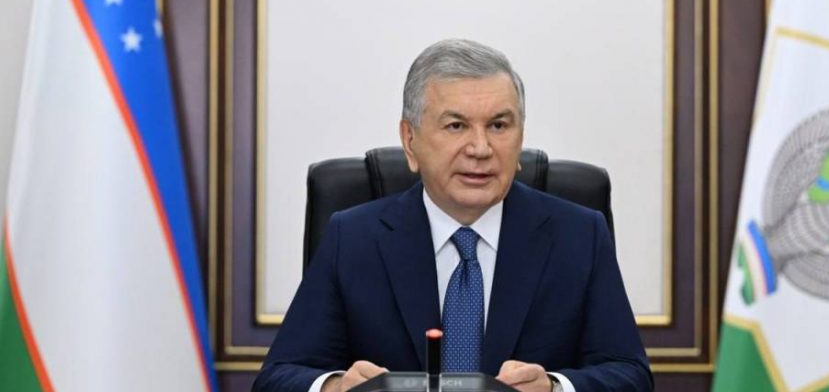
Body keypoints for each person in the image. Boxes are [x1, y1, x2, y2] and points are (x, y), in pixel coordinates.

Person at [253, 39, 652, 392]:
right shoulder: (353, 238)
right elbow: (278, 378)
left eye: (498, 125)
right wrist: (337, 387)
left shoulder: (578, 235)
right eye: (456, 125)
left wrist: (554, 388)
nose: (480, 148)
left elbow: (630, 376)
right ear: (410, 140)